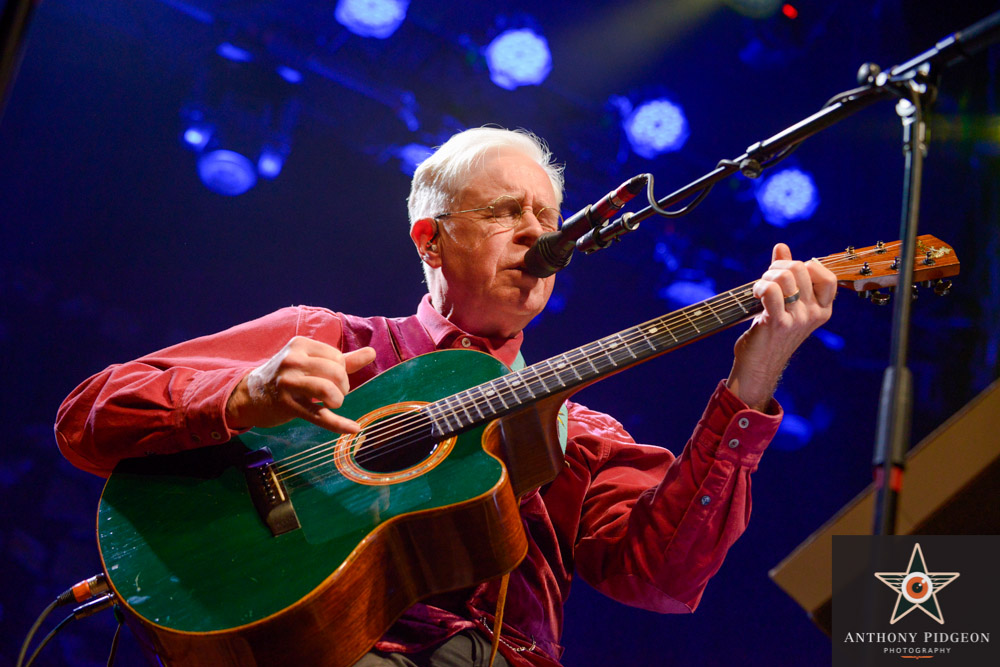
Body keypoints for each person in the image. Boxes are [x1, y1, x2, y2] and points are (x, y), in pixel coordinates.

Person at [56, 127, 836, 666]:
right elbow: (90, 414)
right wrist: (244, 392)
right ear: (430, 239)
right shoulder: (331, 338)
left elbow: (663, 578)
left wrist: (751, 384)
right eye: (505, 213)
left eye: (547, 216)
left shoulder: (575, 428)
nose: (536, 234)